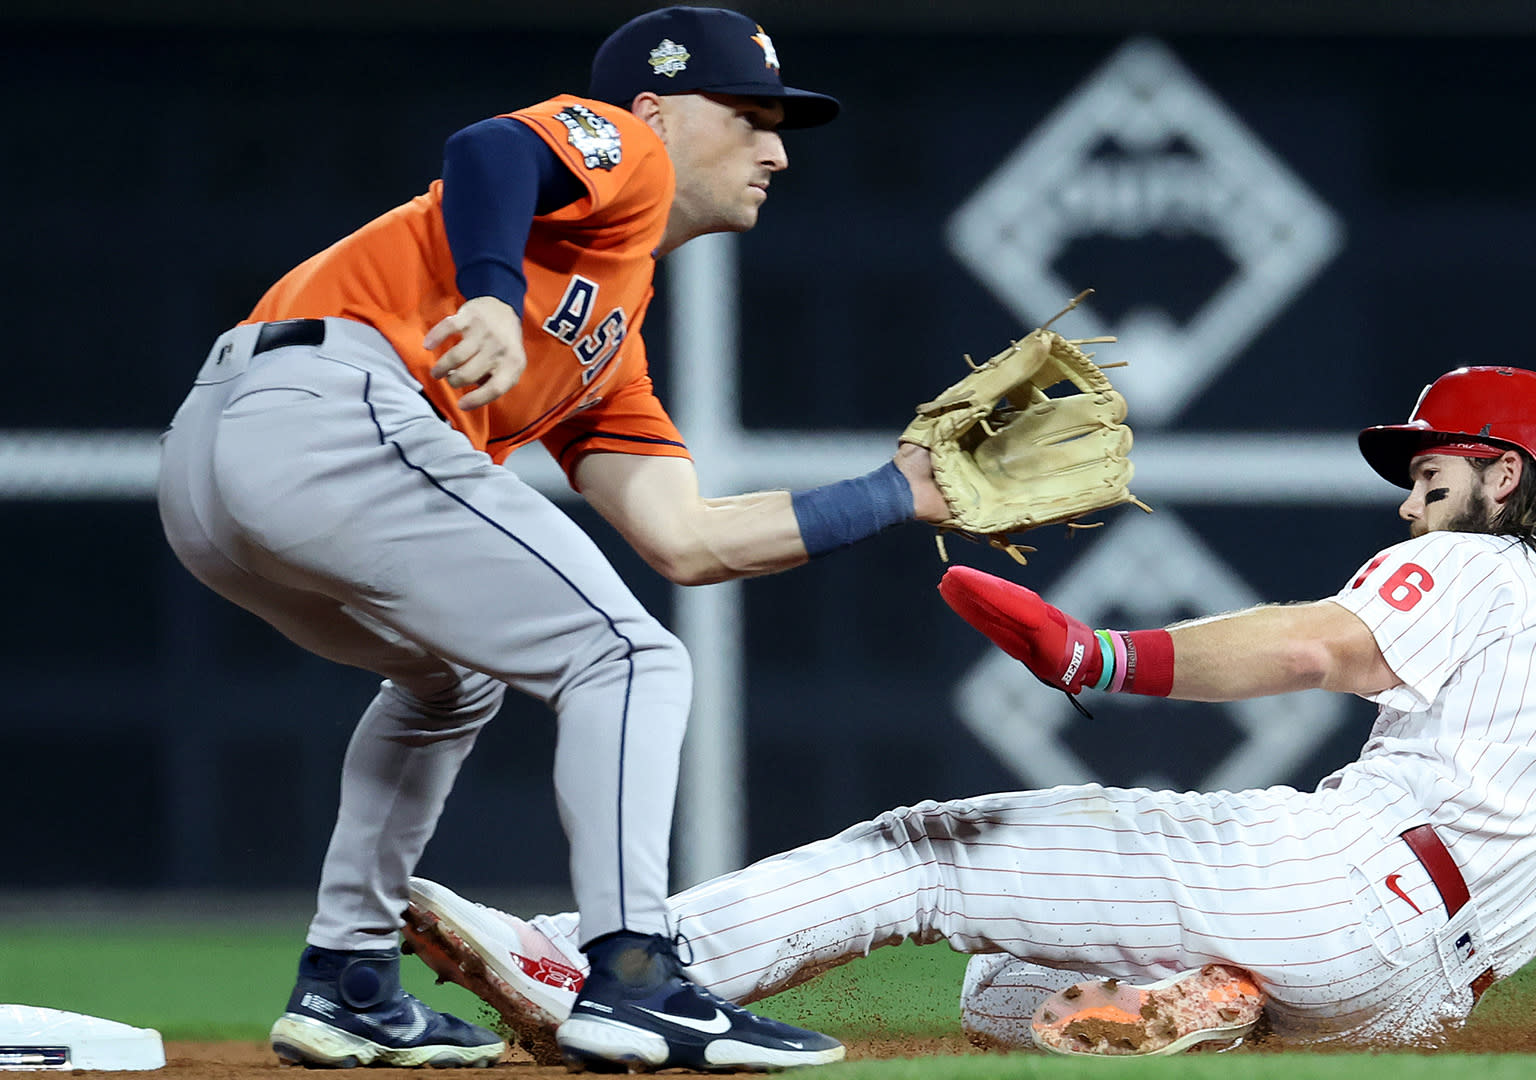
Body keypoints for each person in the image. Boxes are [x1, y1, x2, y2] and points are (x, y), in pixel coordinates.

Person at [396, 366, 1536, 1057]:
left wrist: (1105, 664)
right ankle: (1205, 1000)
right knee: (998, 993)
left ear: (1508, 481)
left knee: (922, 848)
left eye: (1437, 466)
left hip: (1339, 880)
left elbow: (1319, 648)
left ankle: (600, 975)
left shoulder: (1478, 563)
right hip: (1409, 1005)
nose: (1412, 491)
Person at [155, 7, 951, 1072]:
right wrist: (488, 295)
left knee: (451, 685)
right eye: (750, 115)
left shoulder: (605, 343)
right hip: (326, 404)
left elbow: (688, 541)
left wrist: (897, 494)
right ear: (656, 112)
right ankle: (634, 979)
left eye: (781, 126)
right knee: (629, 657)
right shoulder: (628, 159)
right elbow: (490, 150)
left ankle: (347, 979)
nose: (775, 149)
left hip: (215, 469)